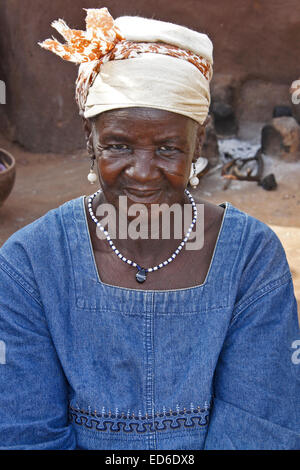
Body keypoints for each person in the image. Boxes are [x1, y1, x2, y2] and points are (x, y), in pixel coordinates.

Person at [0, 7, 299, 450]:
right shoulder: (29, 263)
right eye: (118, 145)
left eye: (168, 148)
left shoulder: (251, 257)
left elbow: (261, 429)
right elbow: (25, 434)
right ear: (89, 138)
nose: (142, 173)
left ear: (198, 142)